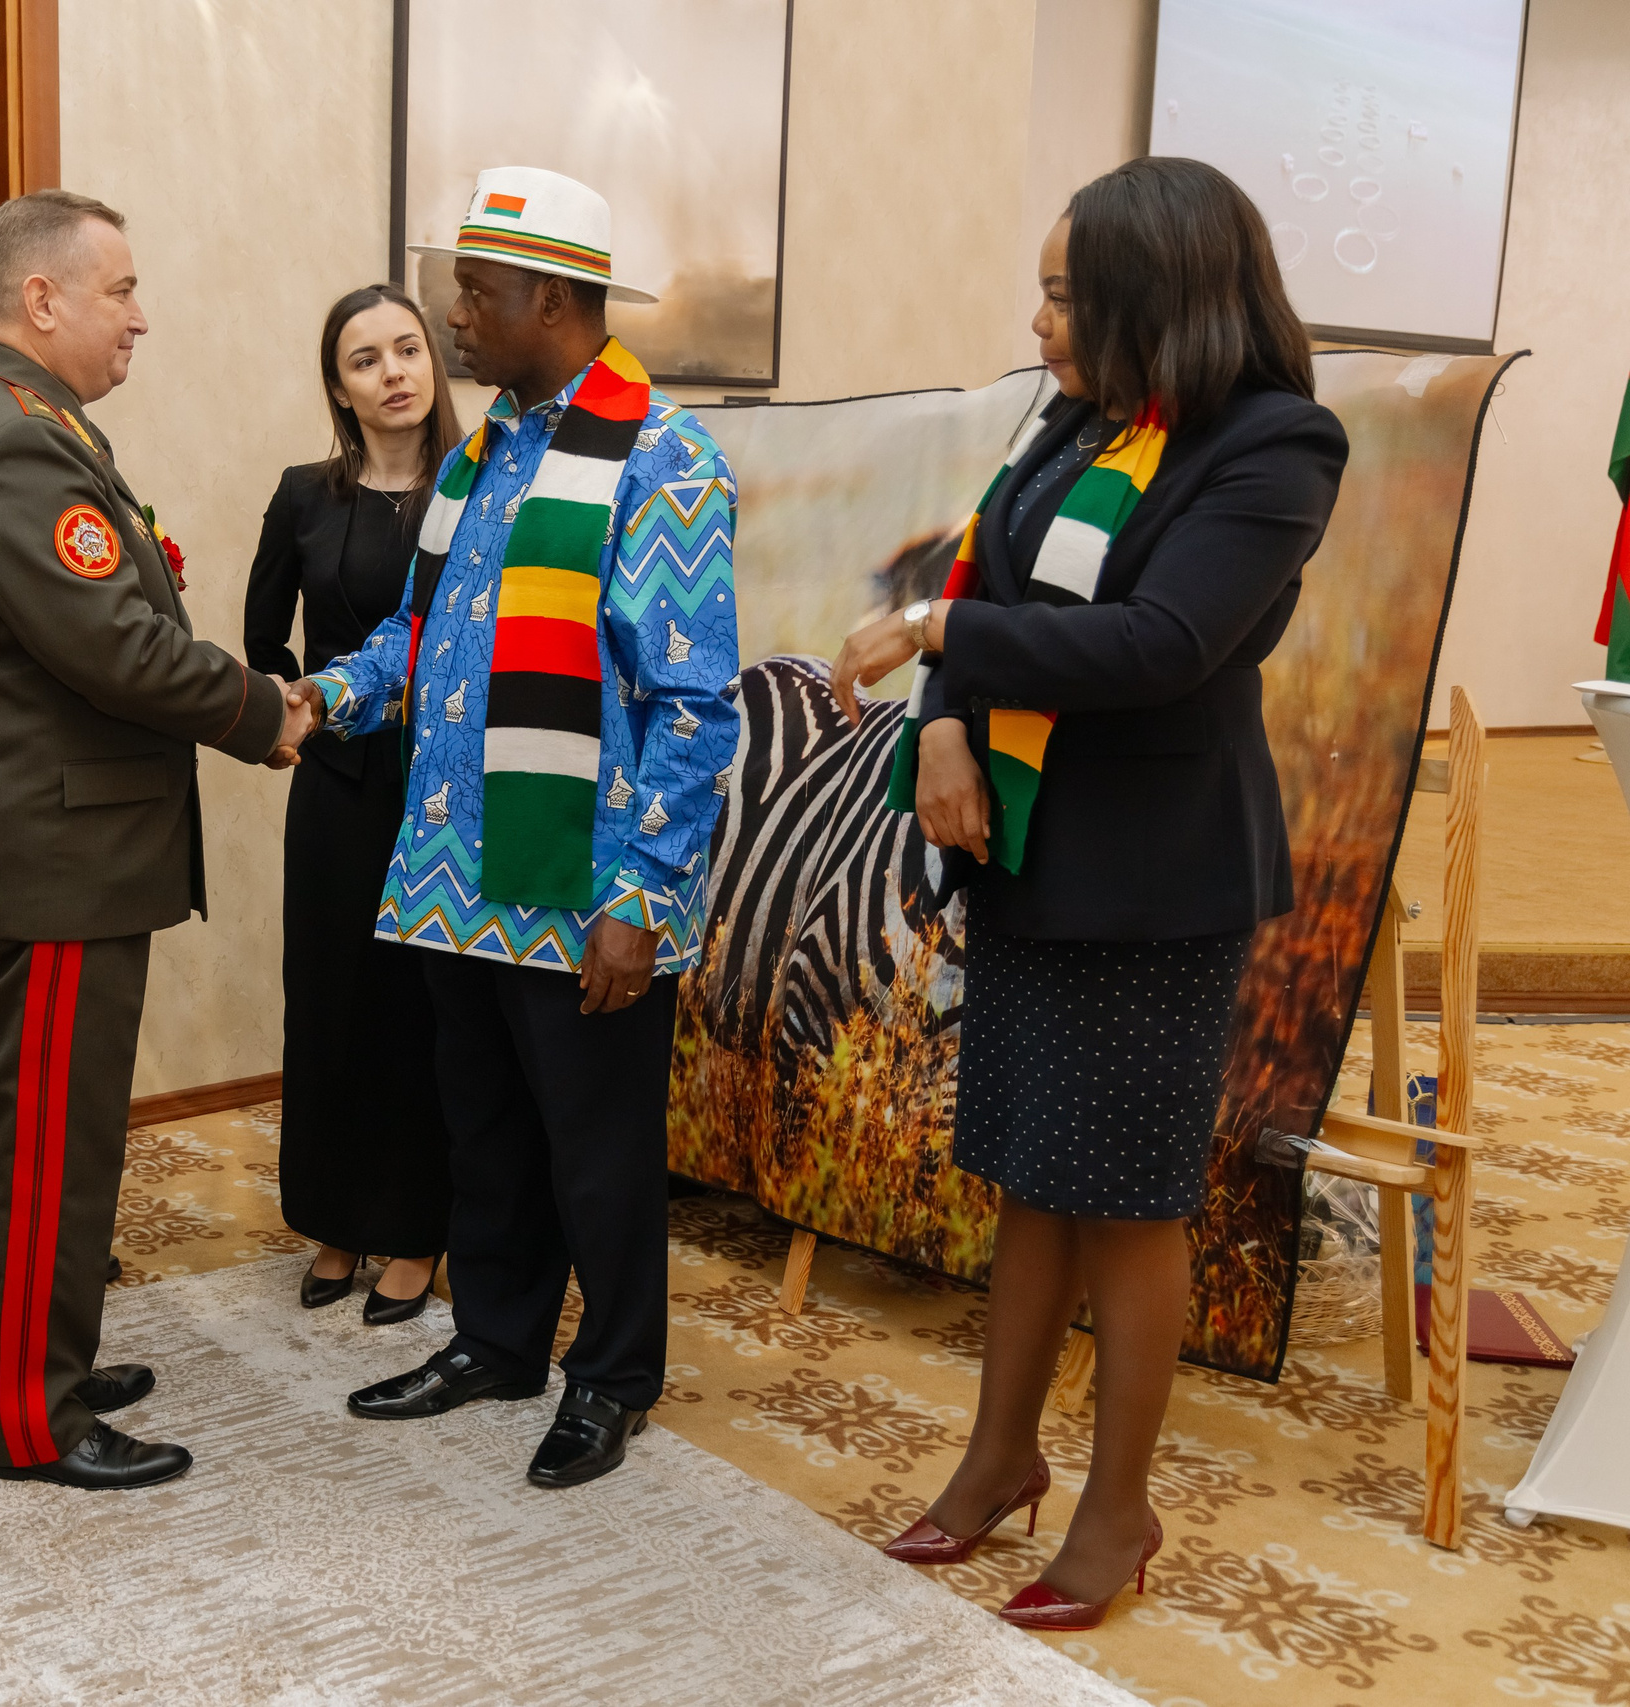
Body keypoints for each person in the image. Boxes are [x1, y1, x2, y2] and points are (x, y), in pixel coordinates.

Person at [829, 156, 1346, 1630]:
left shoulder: (1275, 444)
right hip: (1029, 846)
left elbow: (1157, 644)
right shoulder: (1076, 417)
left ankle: (1118, 1512)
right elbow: (990, 584)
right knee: (1030, 1169)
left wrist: (938, 630)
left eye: (1064, 291)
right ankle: (1001, 1458)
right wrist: (938, 714)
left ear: (1151, 290)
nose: (1041, 318)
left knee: (1125, 1198)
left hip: (1156, 878)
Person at [303, 167, 738, 1490]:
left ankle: (612, 1373)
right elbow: (419, 637)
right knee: (481, 1128)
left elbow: (692, 700)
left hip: (582, 881)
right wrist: (319, 697)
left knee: (595, 1155)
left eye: (475, 296)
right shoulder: (482, 455)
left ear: (552, 297)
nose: (454, 322)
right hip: (451, 870)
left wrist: (646, 896)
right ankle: (496, 1337)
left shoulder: (663, 459)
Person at [0, 188, 311, 1490]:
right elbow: (117, 647)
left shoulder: (11, 414)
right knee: (43, 1148)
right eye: (121, 289)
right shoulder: (17, 439)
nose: (143, 315)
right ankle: (32, 1412)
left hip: (34, 840)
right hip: (54, 855)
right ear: (43, 300)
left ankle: (28, 1356)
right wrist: (266, 711)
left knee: (12, 1134)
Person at [243, 284, 459, 1323]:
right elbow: (261, 636)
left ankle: (418, 1227)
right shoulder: (303, 494)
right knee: (331, 1003)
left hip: (440, 794)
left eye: (407, 350)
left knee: (418, 1011)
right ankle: (336, 1218)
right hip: (335, 790)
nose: (394, 373)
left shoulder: (476, 490)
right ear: (339, 385)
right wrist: (287, 717)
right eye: (366, 359)